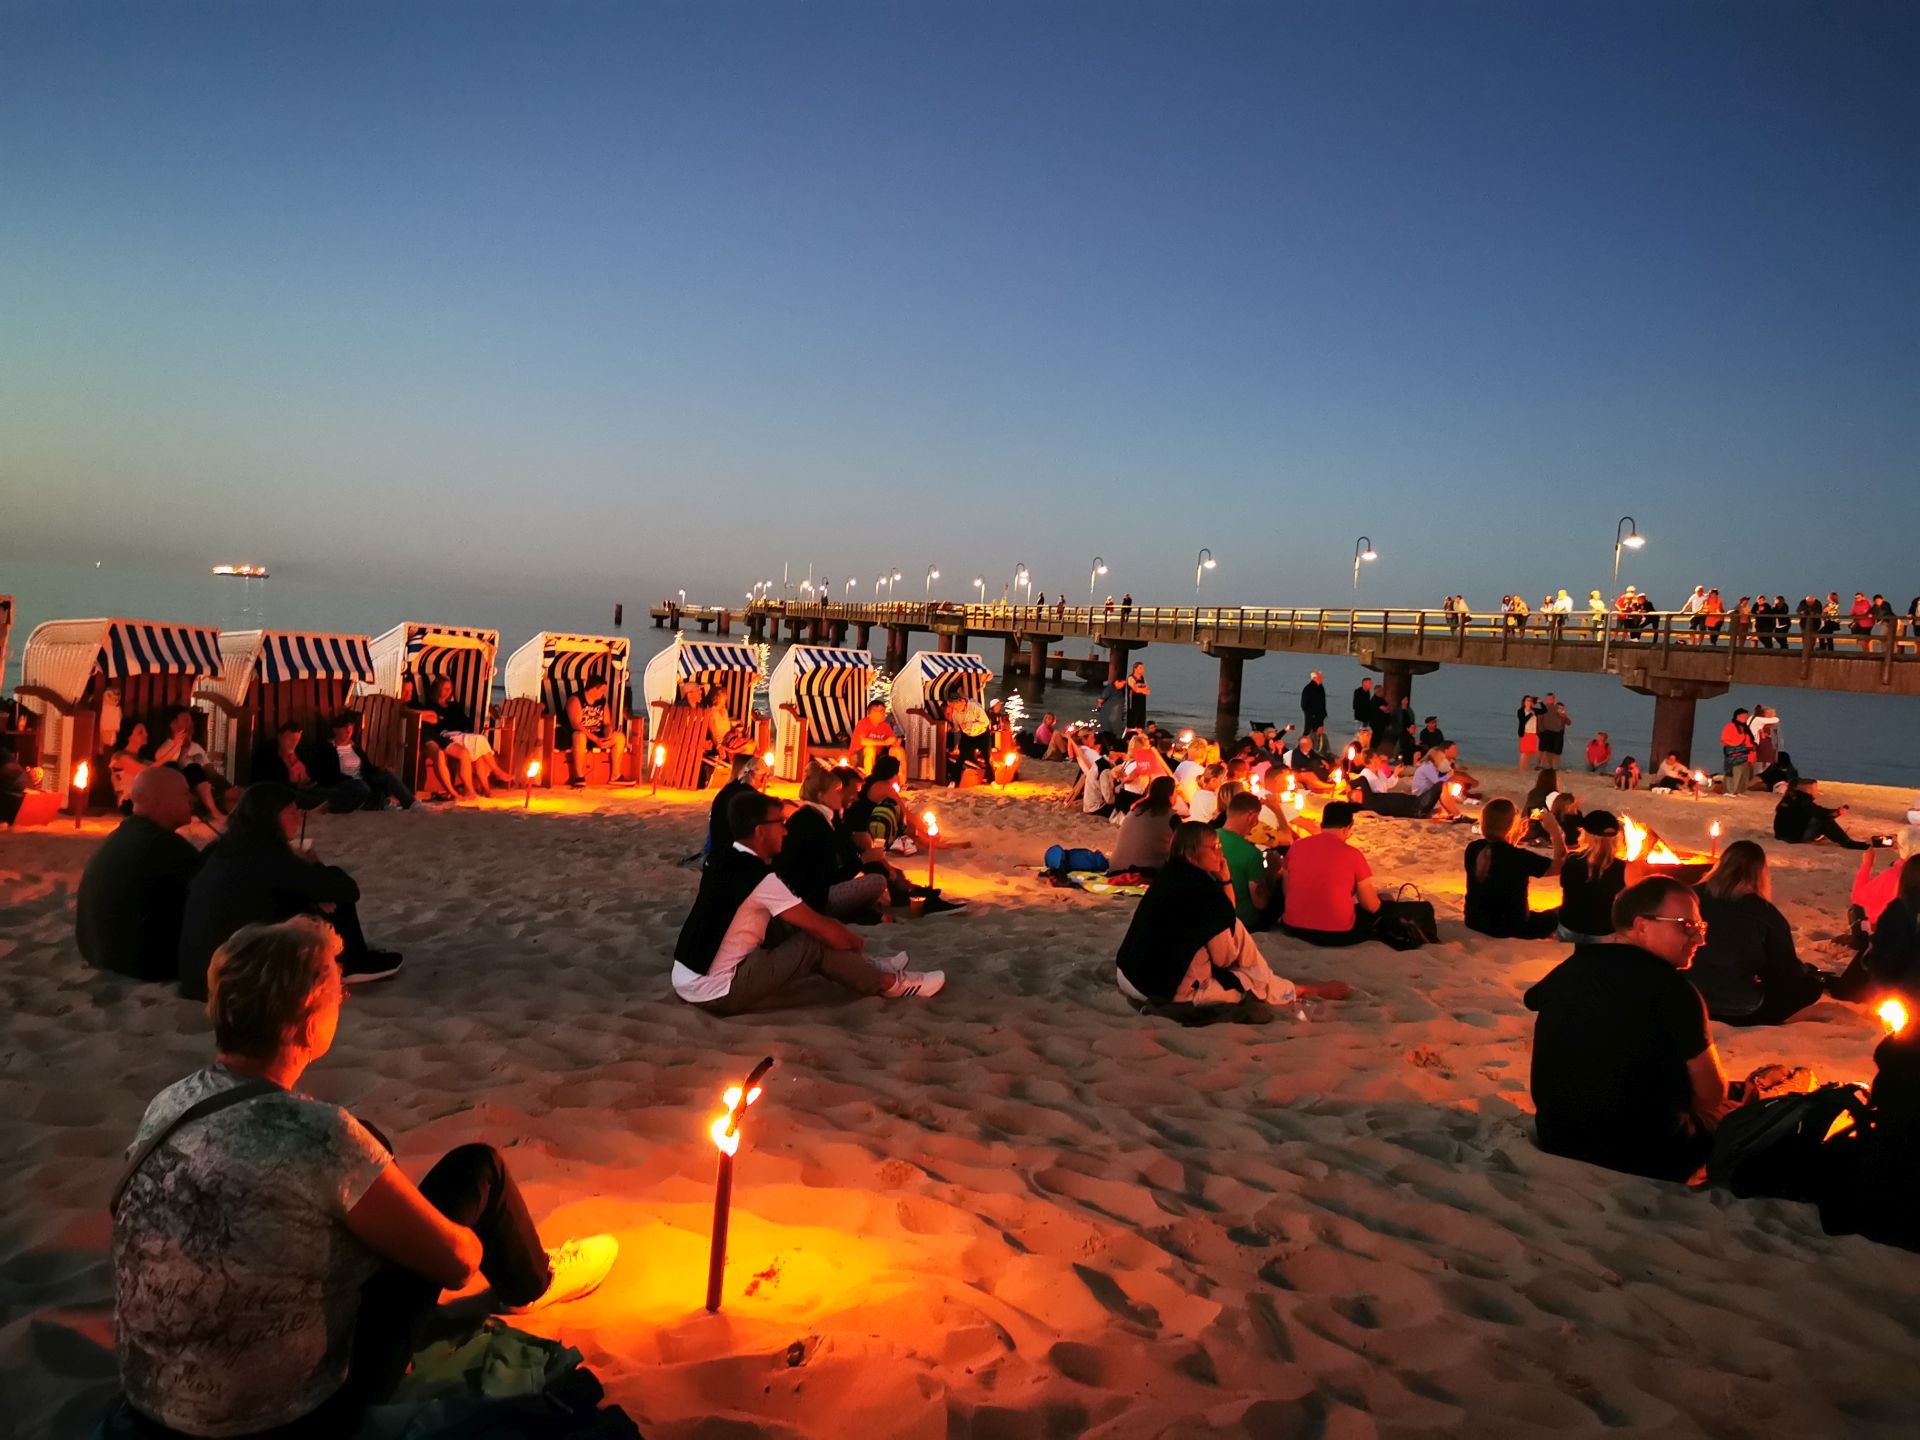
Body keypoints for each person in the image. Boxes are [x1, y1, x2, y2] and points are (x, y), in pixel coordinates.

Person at [111, 918, 618, 1440]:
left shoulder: (170, 1103)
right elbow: (458, 1265)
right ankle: (533, 1282)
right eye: (338, 992)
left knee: (367, 1152)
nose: (344, 1000)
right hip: (291, 1417)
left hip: (152, 1404)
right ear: (308, 1022)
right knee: (478, 1170)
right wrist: (449, 1238)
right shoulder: (323, 1134)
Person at [1524, 876, 1734, 1181]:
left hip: (1558, 1137)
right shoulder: (1673, 991)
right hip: (1646, 1156)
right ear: (1641, 926)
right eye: (1686, 926)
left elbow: (1532, 998)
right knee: (1739, 1101)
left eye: (1700, 928)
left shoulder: (1570, 970)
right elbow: (1711, 1096)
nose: (1699, 940)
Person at [671, 790, 941, 1012]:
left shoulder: (723, 860)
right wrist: (854, 943)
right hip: (717, 991)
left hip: (687, 976)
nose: (786, 831)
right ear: (760, 832)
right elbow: (821, 928)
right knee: (814, 941)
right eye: (780, 823)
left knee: (790, 926)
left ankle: (869, 968)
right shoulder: (758, 878)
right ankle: (889, 983)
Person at [178, 782, 403, 1000]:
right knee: (332, 881)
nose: (298, 817)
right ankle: (353, 962)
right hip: (235, 981)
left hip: (197, 976)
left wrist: (310, 894)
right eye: (290, 811)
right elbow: (347, 890)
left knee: (314, 892)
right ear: (270, 816)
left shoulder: (222, 849)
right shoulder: (267, 855)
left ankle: (352, 956)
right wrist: (315, 865)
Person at [1115, 822, 1349, 1011]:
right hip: (1160, 991)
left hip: (1127, 974)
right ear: (1191, 855)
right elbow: (1223, 959)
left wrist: (1225, 879)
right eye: (1214, 848)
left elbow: (1224, 917)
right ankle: (1298, 990)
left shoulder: (1169, 876)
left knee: (1235, 931)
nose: (1220, 853)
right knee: (1248, 985)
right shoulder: (1204, 893)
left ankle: (1278, 982)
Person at [77, 767, 203, 983]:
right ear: (159, 802)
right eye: (185, 794)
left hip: (98, 954)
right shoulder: (164, 847)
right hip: (140, 965)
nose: (192, 799)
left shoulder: (123, 836)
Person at [1689, 841, 1827, 1025]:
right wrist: (1808, 972)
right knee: (1812, 984)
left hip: (1687, 1000)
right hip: (1739, 1009)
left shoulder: (1689, 897)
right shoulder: (1763, 912)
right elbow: (1786, 968)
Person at [777, 764, 888, 918]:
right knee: (877, 882)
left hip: (804, 892)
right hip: (812, 899)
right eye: (837, 790)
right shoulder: (815, 823)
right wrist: (863, 860)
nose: (841, 794)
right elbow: (829, 877)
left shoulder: (814, 816)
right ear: (821, 796)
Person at [1280, 802, 1382, 946]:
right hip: (1336, 934)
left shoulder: (1296, 846)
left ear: (1323, 824)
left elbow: (1287, 890)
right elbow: (1371, 906)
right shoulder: (1353, 854)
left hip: (1293, 927)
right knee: (1381, 909)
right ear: (1348, 827)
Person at [1464, 798, 1566, 939]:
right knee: (1564, 911)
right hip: (1513, 928)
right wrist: (1554, 831)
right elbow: (1562, 866)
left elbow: (1501, 856)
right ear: (1511, 825)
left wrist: (1514, 837)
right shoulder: (1518, 857)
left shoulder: (1473, 848)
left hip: (1474, 921)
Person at [304, 711, 417, 811]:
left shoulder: (355, 748)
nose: (348, 732)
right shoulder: (327, 749)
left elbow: (368, 767)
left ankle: (412, 803)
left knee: (388, 776)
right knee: (362, 787)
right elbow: (327, 773)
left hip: (363, 778)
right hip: (343, 782)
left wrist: (381, 769)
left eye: (351, 729)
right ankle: (380, 803)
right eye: (345, 729)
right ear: (335, 729)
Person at [421, 677, 514, 796]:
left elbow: (465, 721)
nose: (448, 691)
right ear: (437, 689)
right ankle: (497, 771)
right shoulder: (431, 705)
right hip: (446, 735)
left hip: (460, 734)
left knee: (479, 754)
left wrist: (462, 727)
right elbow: (436, 723)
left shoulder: (453, 706)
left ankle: (486, 790)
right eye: (445, 688)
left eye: (450, 689)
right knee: (480, 739)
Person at [1556, 811, 1633, 945]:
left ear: (1587, 835)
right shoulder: (1624, 867)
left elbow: (1564, 883)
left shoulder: (1571, 860)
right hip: (1603, 930)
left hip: (1571, 925)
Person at [1217, 791, 1286, 930]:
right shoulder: (1251, 854)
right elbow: (1261, 903)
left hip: (1217, 917)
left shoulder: (1210, 838)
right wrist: (1272, 873)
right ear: (1251, 817)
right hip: (1245, 923)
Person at [152, 705, 234, 819]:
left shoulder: (196, 747)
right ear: (173, 725)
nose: (191, 724)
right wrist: (182, 749)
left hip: (209, 788)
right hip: (187, 793)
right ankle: (214, 810)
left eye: (191, 721)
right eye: (186, 721)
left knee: (234, 793)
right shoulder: (164, 751)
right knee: (194, 768)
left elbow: (210, 771)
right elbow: (172, 775)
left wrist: (224, 786)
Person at [562, 678, 630, 788]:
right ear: (594, 689)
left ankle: (615, 776)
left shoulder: (602, 702)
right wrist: (595, 739)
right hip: (576, 736)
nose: (603, 693)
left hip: (596, 736)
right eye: (602, 690)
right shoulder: (575, 699)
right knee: (579, 736)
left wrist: (608, 734)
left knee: (619, 737)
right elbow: (576, 724)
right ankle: (579, 776)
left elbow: (607, 723)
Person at [1773, 777, 1871, 849]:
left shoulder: (1790, 797)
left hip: (1782, 835)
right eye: (1815, 789)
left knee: (1821, 818)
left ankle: (1824, 835)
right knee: (1823, 820)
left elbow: (1808, 812)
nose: (1816, 791)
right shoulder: (1804, 799)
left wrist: (1833, 813)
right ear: (1809, 789)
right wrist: (1836, 813)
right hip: (1793, 838)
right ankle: (1847, 843)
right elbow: (1819, 813)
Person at [1109, 775, 1180, 875]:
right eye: (1176, 791)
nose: (1177, 795)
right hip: (1143, 872)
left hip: (1115, 867)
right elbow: (1182, 847)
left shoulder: (1135, 810)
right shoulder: (1171, 817)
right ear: (1169, 794)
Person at [706, 752, 768, 860]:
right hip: (731, 856)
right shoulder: (744, 795)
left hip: (719, 853)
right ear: (749, 773)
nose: (764, 781)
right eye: (762, 776)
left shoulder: (729, 790)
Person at [852, 700, 907, 771]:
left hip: (877, 757)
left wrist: (896, 741)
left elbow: (892, 740)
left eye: (884, 711)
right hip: (857, 757)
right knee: (870, 749)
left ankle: (901, 777)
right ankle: (870, 777)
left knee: (898, 750)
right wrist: (884, 742)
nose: (884, 714)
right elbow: (863, 741)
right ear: (871, 712)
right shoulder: (863, 723)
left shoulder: (885, 726)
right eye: (881, 711)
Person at [1720, 709, 1757, 795]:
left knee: (1744, 775)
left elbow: (1750, 740)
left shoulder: (1746, 728)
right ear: (1738, 716)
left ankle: (1739, 791)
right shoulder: (1730, 726)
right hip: (1735, 755)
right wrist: (1737, 746)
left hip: (1747, 755)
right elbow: (1725, 740)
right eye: (1744, 716)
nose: (1746, 717)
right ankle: (1730, 791)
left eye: (1747, 716)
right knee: (1734, 774)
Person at [1108, 661, 1150, 731]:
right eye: (1140, 668)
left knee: (1141, 724)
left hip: (1142, 703)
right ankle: (1128, 734)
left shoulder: (1143, 678)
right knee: (1132, 723)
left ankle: (1138, 735)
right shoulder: (1131, 678)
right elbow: (1135, 690)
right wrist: (1142, 690)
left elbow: (1147, 691)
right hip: (1133, 703)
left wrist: (1141, 689)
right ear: (1135, 669)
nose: (1143, 670)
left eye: (1143, 668)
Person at [1300, 671, 1327, 739]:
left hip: (1320, 716)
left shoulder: (1320, 687)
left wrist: (1324, 713)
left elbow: (1323, 702)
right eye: (1320, 677)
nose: (1322, 678)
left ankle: (1315, 745)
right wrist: (1311, 714)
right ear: (1314, 678)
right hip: (1311, 716)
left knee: (1319, 734)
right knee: (1308, 732)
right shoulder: (1308, 688)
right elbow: (1304, 704)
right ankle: (1302, 744)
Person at [1516, 695, 1539, 770]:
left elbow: (1544, 711)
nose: (1529, 702)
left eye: (1531, 701)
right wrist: (1531, 713)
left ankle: (1525, 767)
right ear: (1524, 702)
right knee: (1525, 752)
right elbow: (1523, 721)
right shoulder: (1521, 711)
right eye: (1528, 700)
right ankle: (1521, 768)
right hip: (1526, 733)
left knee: (1531, 752)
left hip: (1533, 733)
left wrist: (1540, 703)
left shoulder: (1534, 710)